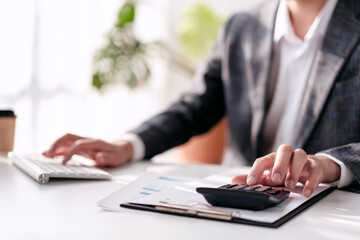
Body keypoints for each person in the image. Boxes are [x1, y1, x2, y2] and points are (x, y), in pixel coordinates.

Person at [43, 0, 360, 196]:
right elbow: (194, 108)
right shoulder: (242, 28)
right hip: (239, 205)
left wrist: (331, 164)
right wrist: (127, 145)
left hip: (325, 211)